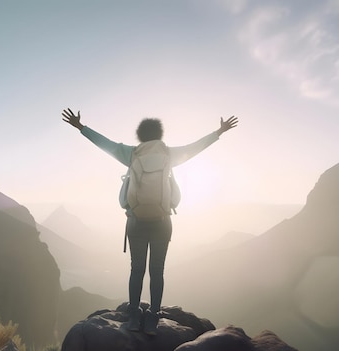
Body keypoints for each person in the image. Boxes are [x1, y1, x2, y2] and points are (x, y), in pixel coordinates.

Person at [61, 108, 238, 335]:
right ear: (160, 135)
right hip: (162, 222)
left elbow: (103, 143)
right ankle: (153, 317)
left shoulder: (131, 154)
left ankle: (134, 315)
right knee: (157, 271)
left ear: (140, 136)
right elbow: (196, 148)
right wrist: (219, 132)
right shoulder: (169, 155)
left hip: (135, 221)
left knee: (136, 269)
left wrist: (80, 127)